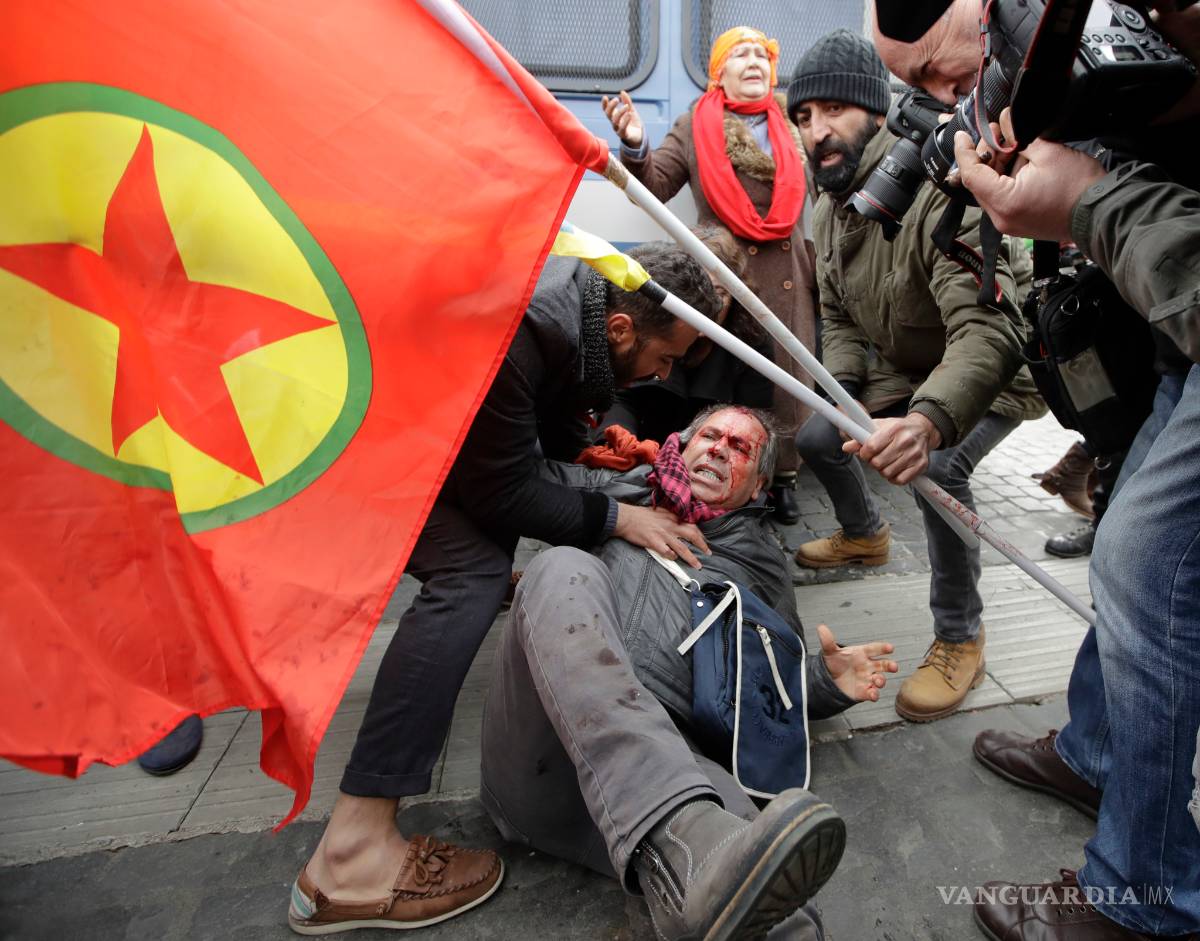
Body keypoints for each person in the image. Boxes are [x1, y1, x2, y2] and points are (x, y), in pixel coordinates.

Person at [874, 2, 1200, 936]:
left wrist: (1087, 203)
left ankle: (1144, 895)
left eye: (940, 68)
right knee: (1129, 536)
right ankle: (1099, 752)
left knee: (1143, 564)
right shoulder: (1091, 69)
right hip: (1176, 336)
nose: (950, 98)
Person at [288, 244, 722, 935]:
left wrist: (612, 469)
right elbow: (501, 490)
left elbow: (536, 440)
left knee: (488, 557)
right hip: (352, 437)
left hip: (412, 426)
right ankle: (351, 850)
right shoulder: (524, 327)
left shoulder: (586, 306)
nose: (665, 376)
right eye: (665, 359)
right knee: (471, 573)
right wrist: (618, 516)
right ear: (620, 330)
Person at [480, 405, 899, 940]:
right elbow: (507, 482)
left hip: (677, 781)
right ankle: (680, 842)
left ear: (758, 485)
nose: (720, 449)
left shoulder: (761, 562)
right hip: (544, 761)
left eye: (740, 448)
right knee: (563, 567)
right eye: (710, 436)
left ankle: (682, 861)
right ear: (683, 443)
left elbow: (769, 683)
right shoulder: (618, 489)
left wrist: (822, 682)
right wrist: (615, 514)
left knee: (768, 895)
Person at [785, 30, 1043, 723]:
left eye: (834, 109)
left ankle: (961, 636)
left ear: (878, 112)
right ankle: (864, 533)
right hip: (909, 366)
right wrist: (844, 395)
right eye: (803, 116)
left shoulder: (939, 187)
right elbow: (838, 316)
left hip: (995, 372)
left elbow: (989, 331)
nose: (817, 130)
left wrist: (924, 424)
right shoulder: (828, 207)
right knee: (816, 437)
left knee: (942, 470)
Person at [602, 26, 816, 525]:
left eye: (761, 55)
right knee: (719, 379)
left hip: (787, 274)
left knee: (788, 382)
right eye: (740, 54)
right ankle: (712, 473)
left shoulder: (793, 125)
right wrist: (635, 144)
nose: (754, 62)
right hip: (723, 275)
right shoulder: (696, 124)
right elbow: (655, 185)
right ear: (720, 72)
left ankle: (780, 477)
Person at [596, 224, 775, 445]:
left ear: (736, 296)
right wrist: (618, 443)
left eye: (719, 293)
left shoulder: (751, 344)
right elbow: (622, 396)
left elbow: (752, 422)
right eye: (699, 293)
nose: (708, 307)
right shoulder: (651, 321)